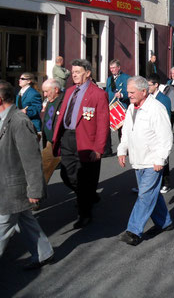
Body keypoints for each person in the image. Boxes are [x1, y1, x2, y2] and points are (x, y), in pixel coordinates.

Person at [0, 80, 54, 271]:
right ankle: (44, 253)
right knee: (25, 221)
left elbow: (32, 159)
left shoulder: (19, 121)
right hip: (4, 183)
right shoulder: (0, 119)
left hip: (14, 187)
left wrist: (35, 190)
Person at [52, 59, 110, 229]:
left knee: (84, 178)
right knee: (66, 174)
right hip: (68, 137)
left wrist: (99, 149)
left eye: (77, 72)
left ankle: (85, 214)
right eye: (73, 72)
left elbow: (102, 123)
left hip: (86, 140)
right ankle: (88, 194)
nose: (74, 75)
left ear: (88, 73)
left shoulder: (98, 94)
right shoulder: (70, 91)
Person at [117, 77, 174, 246]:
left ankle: (133, 231)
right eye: (128, 92)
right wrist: (122, 150)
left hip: (152, 160)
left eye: (132, 92)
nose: (129, 95)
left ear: (144, 91)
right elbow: (126, 131)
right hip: (138, 159)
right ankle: (165, 223)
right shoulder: (131, 108)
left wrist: (160, 159)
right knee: (151, 194)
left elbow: (166, 137)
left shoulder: (156, 108)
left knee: (144, 195)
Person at [147, 74, 172, 194]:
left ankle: (166, 183)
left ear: (156, 85)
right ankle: (151, 184)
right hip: (150, 133)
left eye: (149, 85)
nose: (147, 87)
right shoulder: (148, 97)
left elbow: (166, 118)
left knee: (163, 158)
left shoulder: (164, 99)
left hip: (160, 133)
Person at [40, 79, 64, 183]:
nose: (45, 95)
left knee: (70, 176)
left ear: (56, 89)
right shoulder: (50, 101)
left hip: (60, 144)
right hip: (49, 142)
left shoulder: (64, 102)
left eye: (46, 91)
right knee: (41, 168)